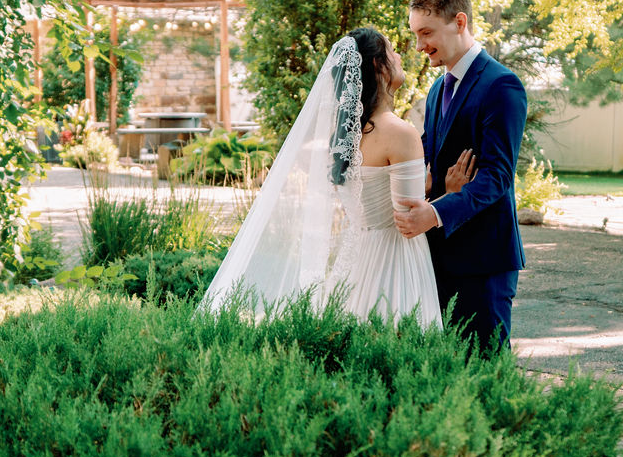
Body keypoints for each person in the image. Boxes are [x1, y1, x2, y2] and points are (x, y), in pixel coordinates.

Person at [202, 27, 473, 328]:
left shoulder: (342, 137)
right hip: (396, 261)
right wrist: (449, 195)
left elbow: (371, 196)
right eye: (391, 51)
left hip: (357, 260)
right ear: (377, 66)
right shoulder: (399, 132)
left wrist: (421, 187)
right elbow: (408, 221)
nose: (399, 56)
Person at [394, 0, 528, 355]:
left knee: (485, 372)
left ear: (459, 22)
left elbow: (497, 176)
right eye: (415, 35)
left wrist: (435, 212)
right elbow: (428, 157)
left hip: (484, 263)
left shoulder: (501, 85)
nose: (419, 46)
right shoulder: (439, 89)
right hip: (440, 257)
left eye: (426, 33)